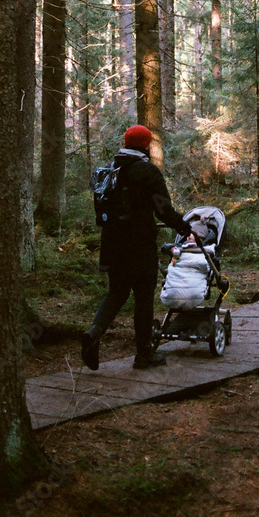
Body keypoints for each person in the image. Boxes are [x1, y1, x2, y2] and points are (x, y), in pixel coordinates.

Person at [81, 124, 192, 371]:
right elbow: (163, 209)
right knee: (143, 298)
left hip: (112, 245)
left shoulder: (110, 170)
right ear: (146, 145)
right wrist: (184, 227)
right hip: (140, 246)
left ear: (125, 143)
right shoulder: (148, 172)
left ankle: (94, 333)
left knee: (116, 293)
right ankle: (144, 354)